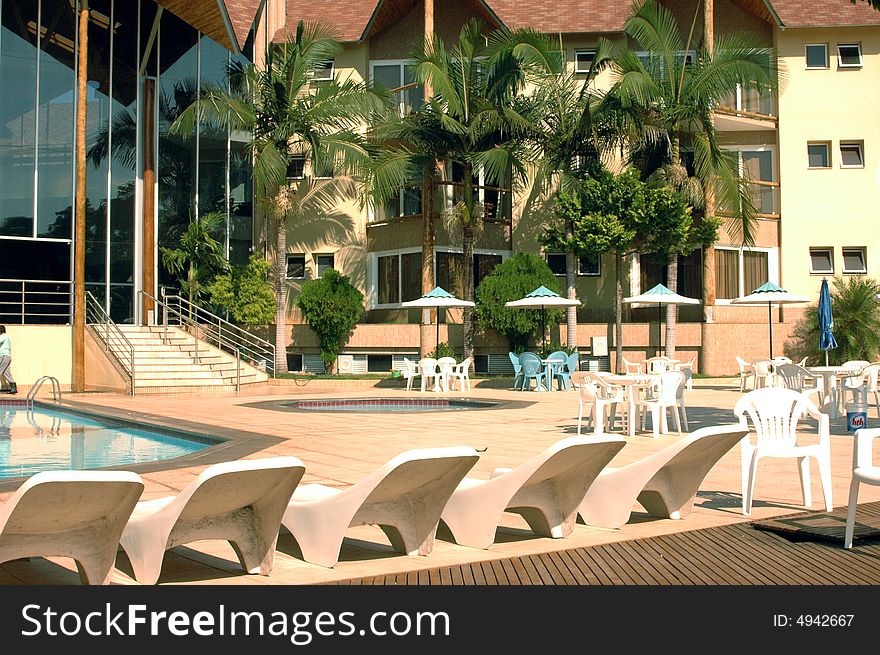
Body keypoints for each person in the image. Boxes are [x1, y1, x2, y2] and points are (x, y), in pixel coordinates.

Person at [0, 325, 16, 394]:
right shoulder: (5, 336)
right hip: (6, 356)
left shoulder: (4, 336)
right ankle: (13, 388)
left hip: (4, 356)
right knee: (6, 373)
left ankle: (13, 388)